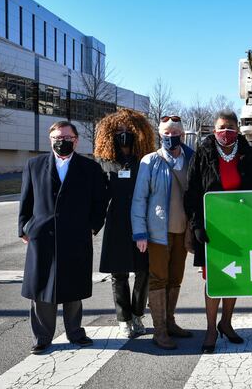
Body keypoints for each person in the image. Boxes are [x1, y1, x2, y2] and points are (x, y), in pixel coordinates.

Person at [18, 121, 107, 355]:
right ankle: (42, 336)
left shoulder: (90, 168)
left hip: (76, 236)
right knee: (41, 288)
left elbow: (100, 202)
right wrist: (24, 227)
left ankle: (75, 332)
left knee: (73, 287)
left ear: (76, 140)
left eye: (67, 137)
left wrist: (92, 227)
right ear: (50, 140)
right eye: (57, 137)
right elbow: (26, 200)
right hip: (42, 237)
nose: (62, 141)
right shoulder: (34, 165)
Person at [185, 110, 252, 354]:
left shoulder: (249, 154)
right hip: (212, 228)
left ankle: (226, 323)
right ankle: (210, 329)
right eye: (221, 127)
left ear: (238, 129)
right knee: (214, 279)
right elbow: (193, 191)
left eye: (230, 127)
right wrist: (196, 224)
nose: (225, 132)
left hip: (239, 227)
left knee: (234, 277)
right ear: (214, 129)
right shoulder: (203, 153)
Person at [131, 115, 194, 350]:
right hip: (158, 233)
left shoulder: (191, 159)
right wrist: (140, 233)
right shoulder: (150, 161)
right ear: (160, 134)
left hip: (182, 231)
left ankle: (170, 322)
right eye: (166, 133)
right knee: (159, 278)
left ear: (183, 134)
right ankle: (159, 331)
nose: (170, 136)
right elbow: (139, 199)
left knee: (176, 277)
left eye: (174, 132)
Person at [94, 109, 155, 338]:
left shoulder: (146, 162)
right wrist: (93, 223)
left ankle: (138, 314)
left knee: (144, 271)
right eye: (119, 130)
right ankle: (124, 319)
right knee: (118, 274)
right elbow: (99, 197)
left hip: (142, 222)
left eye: (128, 130)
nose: (124, 134)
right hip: (116, 223)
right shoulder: (105, 163)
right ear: (110, 133)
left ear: (138, 133)